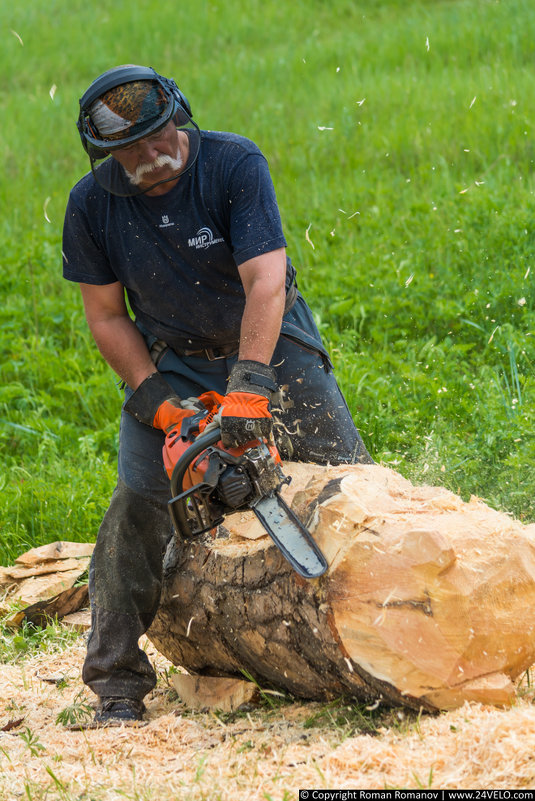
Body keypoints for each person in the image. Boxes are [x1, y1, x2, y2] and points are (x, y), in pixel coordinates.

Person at [63, 64, 373, 726]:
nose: (152, 156)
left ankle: (385, 618)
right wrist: (155, 399)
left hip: (270, 341)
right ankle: (116, 679)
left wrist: (250, 390)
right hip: (174, 358)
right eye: (132, 150)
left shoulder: (232, 164)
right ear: (109, 155)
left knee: (350, 480)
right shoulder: (91, 206)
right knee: (139, 502)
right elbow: (107, 318)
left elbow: (265, 282)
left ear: (178, 116)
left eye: (159, 136)